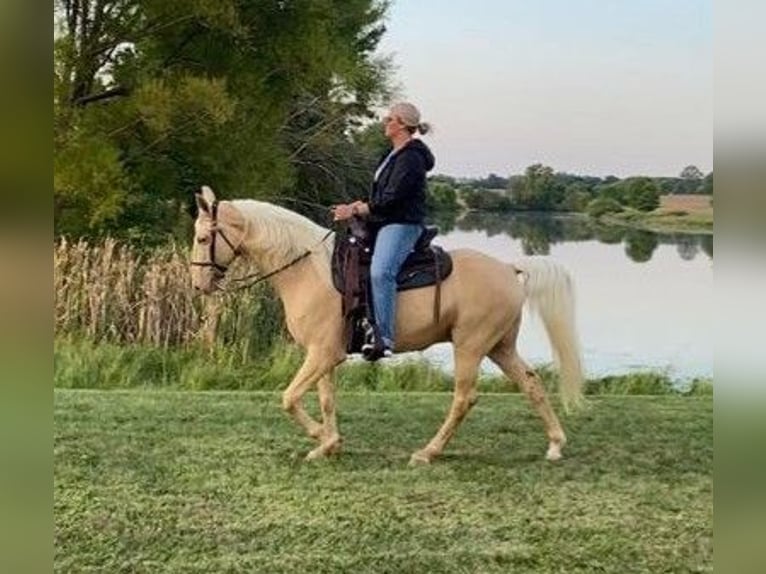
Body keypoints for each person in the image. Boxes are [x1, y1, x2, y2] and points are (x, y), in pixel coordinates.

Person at [332, 102, 435, 359]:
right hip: (384, 222)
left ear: (400, 124)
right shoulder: (391, 154)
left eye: (388, 118)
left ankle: (385, 338)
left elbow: (393, 198)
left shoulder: (411, 157)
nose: (384, 122)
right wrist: (357, 205)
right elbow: (379, 196)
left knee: (380, 273)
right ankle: (359, 326)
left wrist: (357, 210)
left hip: (401, 223)